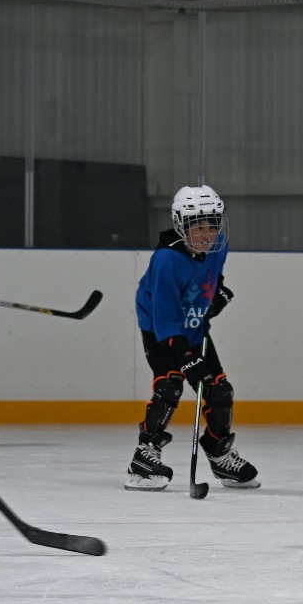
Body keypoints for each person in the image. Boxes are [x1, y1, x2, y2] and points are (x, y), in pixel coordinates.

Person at [126, 184, 257, 491]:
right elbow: (165, 314)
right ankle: (145, 455)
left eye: (212, 226)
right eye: (197, 227)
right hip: (161, 330)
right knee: (170, 384)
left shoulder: (219, 246)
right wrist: (185, 357)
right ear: (180, 226)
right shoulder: (166, 260)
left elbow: (211, 279)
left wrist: (217, 294)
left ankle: (218, 452)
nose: (205, 236)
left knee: (219, 390)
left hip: (194, 328)